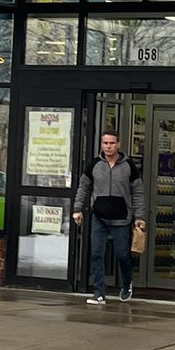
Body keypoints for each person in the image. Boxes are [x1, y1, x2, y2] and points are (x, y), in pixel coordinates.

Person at [72, 129, 146, 305]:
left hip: (122, 218)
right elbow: (83, 187)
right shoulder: (94, 164)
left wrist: (139, 216)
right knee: (96, 253)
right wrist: (77, 209)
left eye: (112, 143)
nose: (108, 146)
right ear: (101, 144)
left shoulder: (129, 166)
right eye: (105, 143)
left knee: (122, 254)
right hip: (99, 217)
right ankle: (99, 293)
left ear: (118, 144)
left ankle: (127, 283)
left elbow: (138, 192)